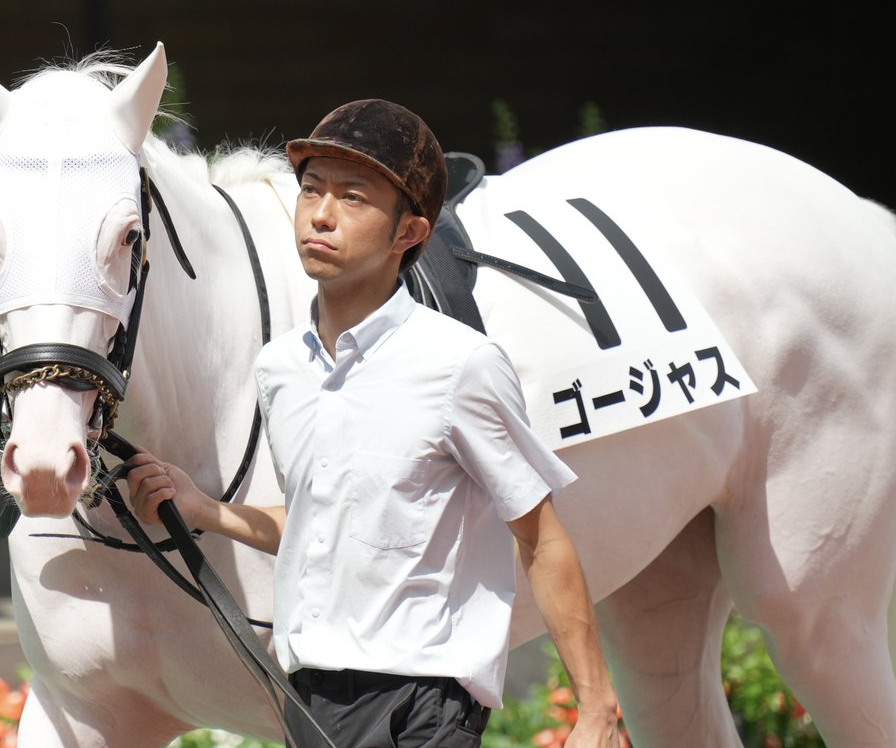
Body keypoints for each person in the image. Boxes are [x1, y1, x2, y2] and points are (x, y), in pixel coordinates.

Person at [126, 99, 620, 747]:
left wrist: (595, 706)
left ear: (409, 234)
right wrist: (205, 510)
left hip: (425, 703)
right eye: (311, 192)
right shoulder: (281, 370)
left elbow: (542, 537)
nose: (321, 215)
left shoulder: (461, 365)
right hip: (312, 702)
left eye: (353, 198)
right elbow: (317, 523)